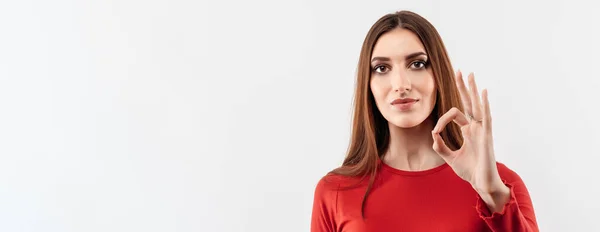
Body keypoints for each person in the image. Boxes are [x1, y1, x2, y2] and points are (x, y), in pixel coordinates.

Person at [310, 10, 539, 232]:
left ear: (438, 75)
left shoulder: (502, 184)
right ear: (367, 86)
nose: (401, 84)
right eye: (382, 68)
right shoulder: (335, 191)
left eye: (417, 64)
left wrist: (492, 193)